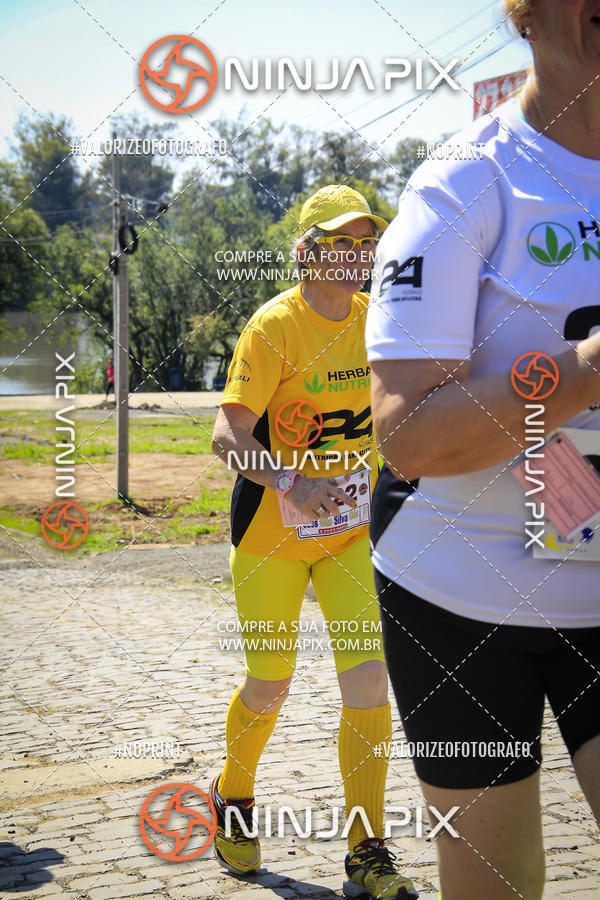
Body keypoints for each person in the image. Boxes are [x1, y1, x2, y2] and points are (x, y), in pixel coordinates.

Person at [365, 2, 600, 898]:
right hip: (461, 593)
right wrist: (585, 368)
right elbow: (409, 436)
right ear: (527, 13)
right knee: (499, 881)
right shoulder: (466, 181)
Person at [210, 184, 417, 899]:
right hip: (271, 535)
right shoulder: (274, 327)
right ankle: (232, 795)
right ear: (306, 251)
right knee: (270, 685)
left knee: (367, 682)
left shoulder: (378, 320)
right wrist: (289, 481)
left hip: (348, 537)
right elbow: (226, 433)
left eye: (366, 243)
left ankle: (368, 848)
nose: (356, 256)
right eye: (340, 242)